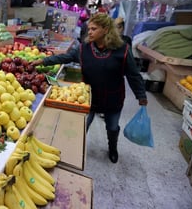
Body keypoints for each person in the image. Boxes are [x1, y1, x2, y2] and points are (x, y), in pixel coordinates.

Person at [31, 13, 147, 163]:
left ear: (105, 30)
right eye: (88, 29)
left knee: (112, 127)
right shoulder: (83, 49)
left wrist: (141, 95)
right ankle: (74, 151)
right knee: (82, 126)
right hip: (87, 98)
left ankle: (112, 148)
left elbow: (133, 74)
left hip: (113, 98)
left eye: (94, 29)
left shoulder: (122, 50)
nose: (89, 32)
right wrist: (42, 61)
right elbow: (64, 57)